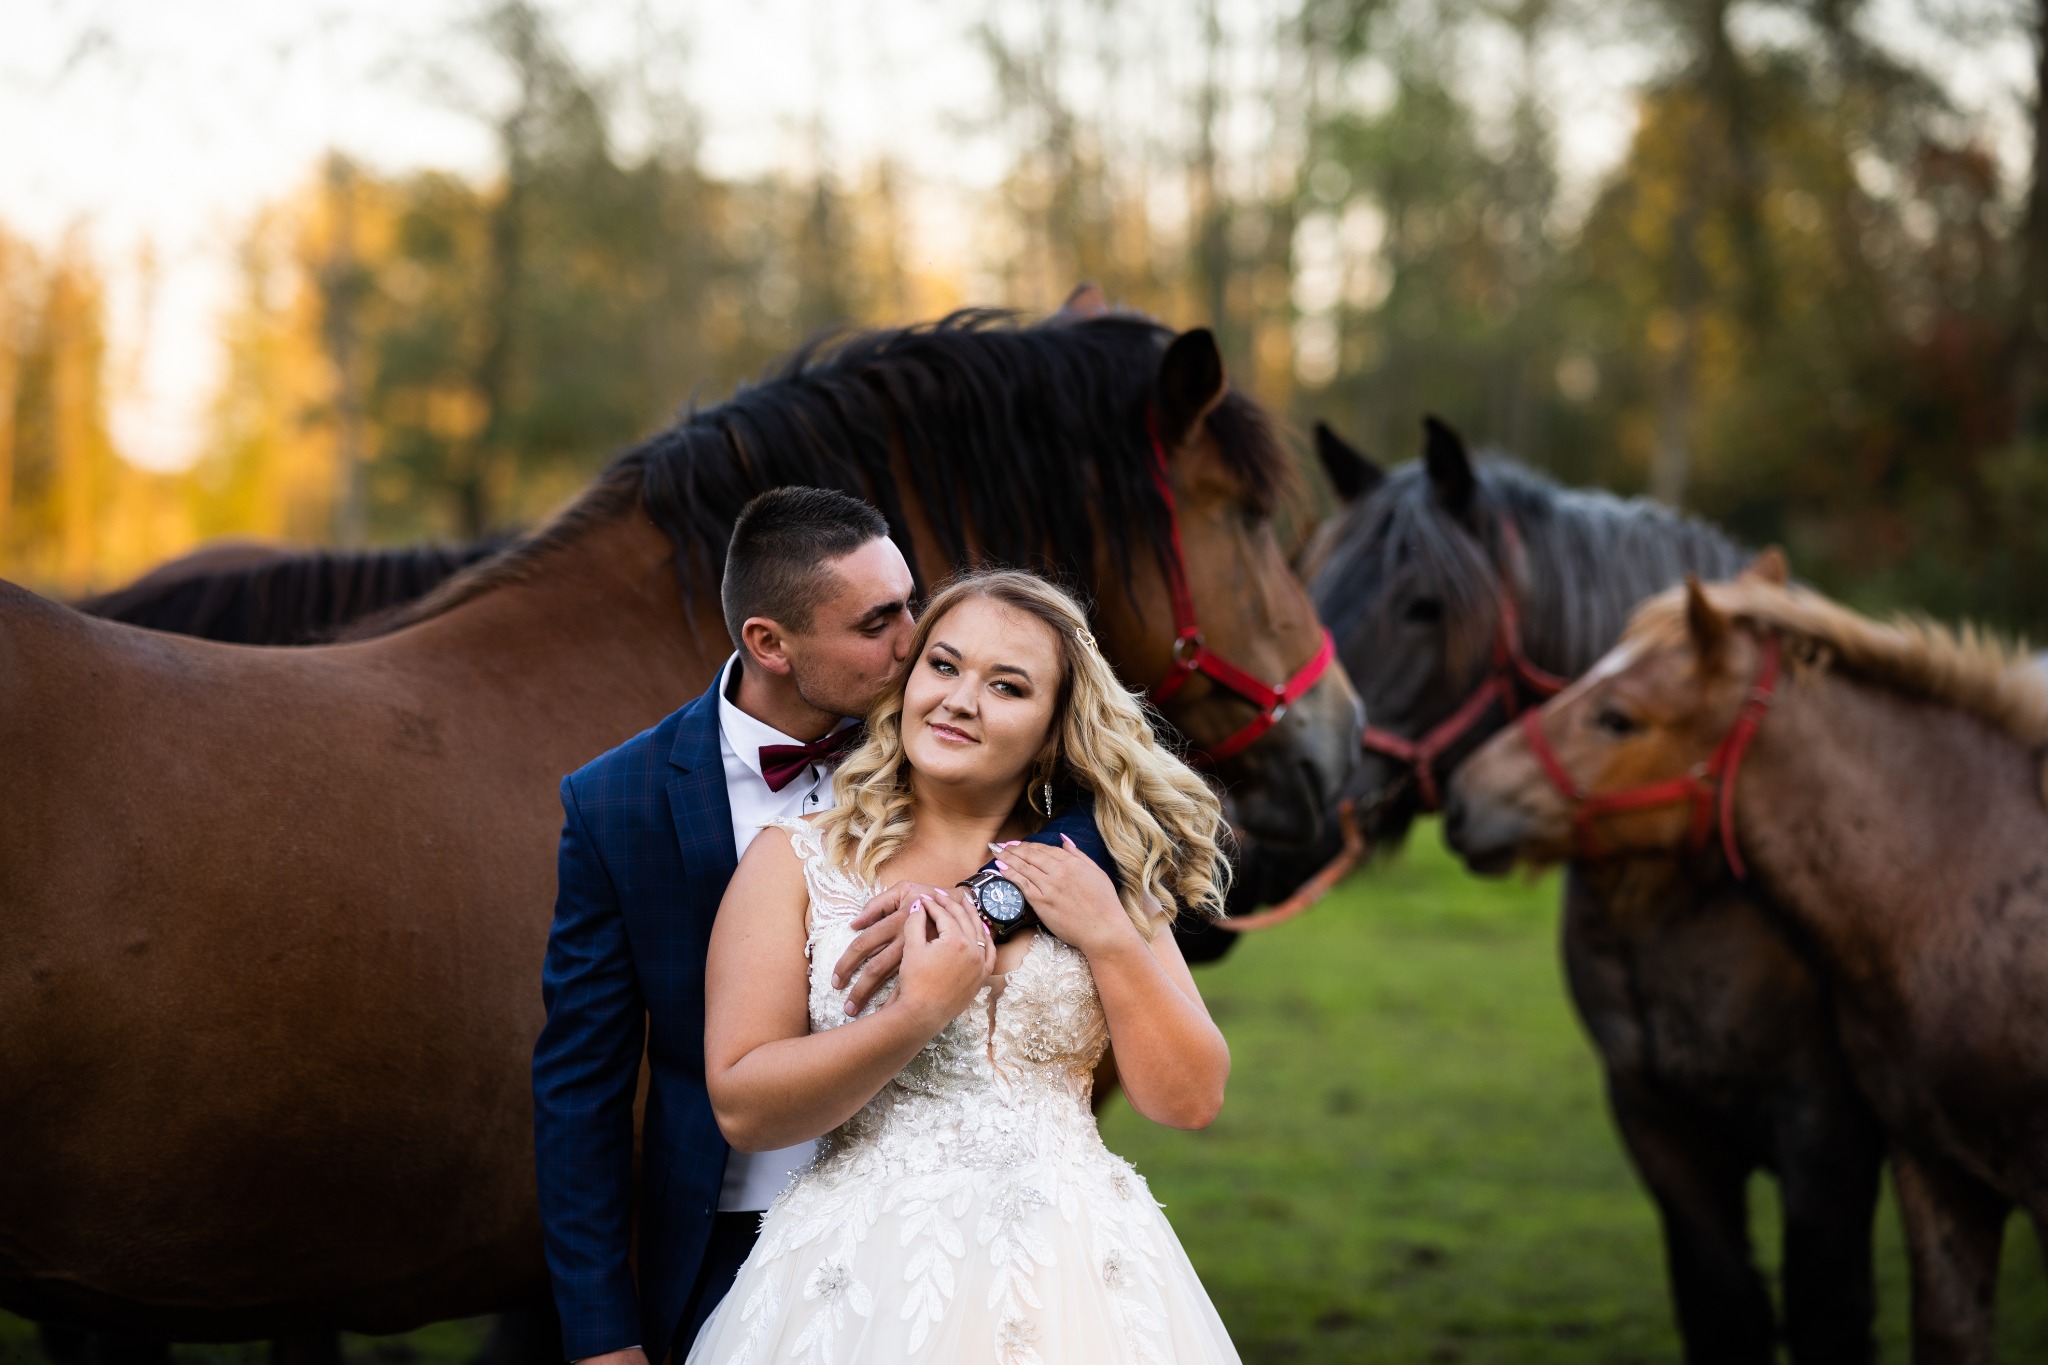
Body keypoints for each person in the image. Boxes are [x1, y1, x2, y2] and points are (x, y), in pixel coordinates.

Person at [532, 490, 1116, 1365]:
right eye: (879, 620)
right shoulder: (621, 801)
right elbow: (580, 1085)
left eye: (911, 602)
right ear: (770, 642)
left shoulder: (943, 719)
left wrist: (985, 901)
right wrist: (600, 1337)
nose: (916, 639)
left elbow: (1101, 807)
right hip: (730, 1232)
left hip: (954, 1225)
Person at [688, 568, 1240, 1364]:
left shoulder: (1097, 871)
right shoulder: (797, 861)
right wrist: (915, 1015)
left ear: (1052, 727)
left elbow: (1190, 1099)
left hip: (1078, 1283)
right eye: (942, 666)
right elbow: (744, 1107)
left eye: (1007, 686)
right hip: (861, 1281)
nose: (958, 700)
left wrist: (1111, 935)